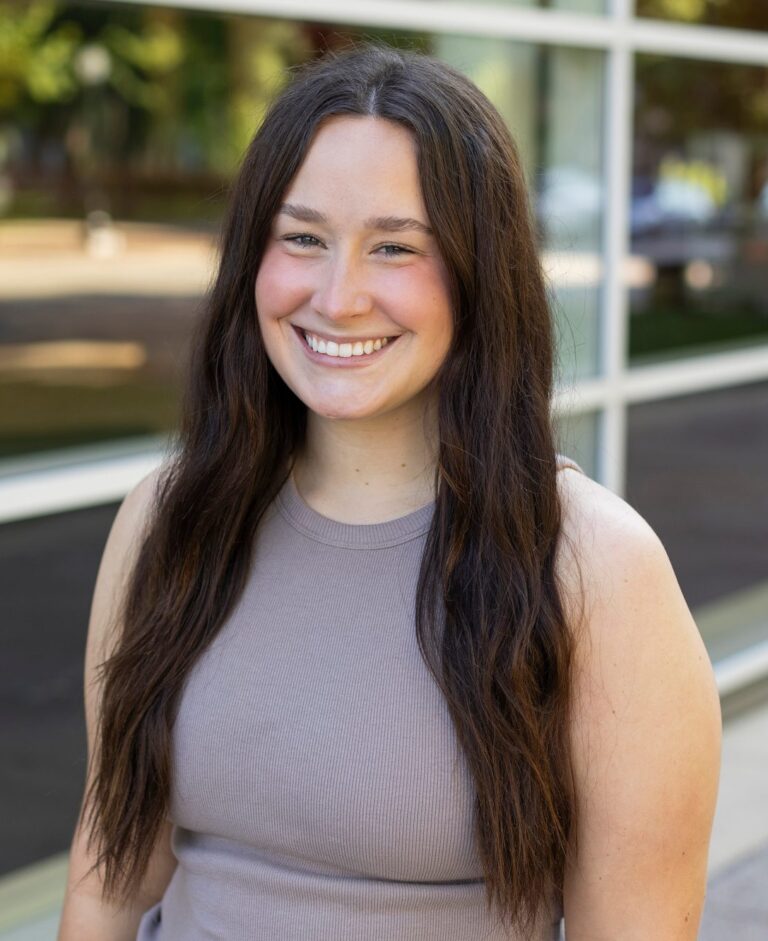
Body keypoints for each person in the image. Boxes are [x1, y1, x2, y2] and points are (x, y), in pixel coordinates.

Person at [57, 42, 721, 941]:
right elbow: (107, 884)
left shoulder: (597, 567)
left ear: (480, 272)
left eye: (396, 247)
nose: (339, 296)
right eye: (302, 238)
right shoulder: (169, 518)